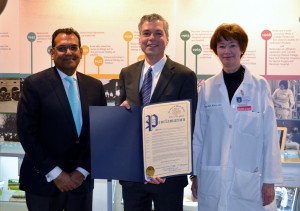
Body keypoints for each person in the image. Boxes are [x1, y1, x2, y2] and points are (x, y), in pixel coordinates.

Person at [191, 23, 282, 211]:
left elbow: (269, 136)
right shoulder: (207, 88)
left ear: (242, 49)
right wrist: (195, 175)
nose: (227, 51)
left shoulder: (259, 86)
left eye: (232, 45)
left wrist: (270, 181)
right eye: (222, 46)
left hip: (248, 180)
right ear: (216, 50)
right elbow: (198, 136)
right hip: (212, 177)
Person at [17, 27, 107, 211]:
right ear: (52, 52)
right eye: (62, 48)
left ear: (81, 52)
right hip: (43, 182)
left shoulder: (95, 86)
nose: (68, 53)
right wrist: (56, 174)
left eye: (73, 47)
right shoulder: (34, 84)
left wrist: (82, 172)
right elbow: (27, 133)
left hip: (80, 183)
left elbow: (101, 134)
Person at [118, 13, 198, 211]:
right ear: (139, 38)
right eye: (146, 33)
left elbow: (189, 126)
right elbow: (126, 125)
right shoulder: (127, 73)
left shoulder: (184, 75)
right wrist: (121, 114)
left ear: (167, 38)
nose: (151, 38)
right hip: (134, 176)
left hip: (168, 177)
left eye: (158, 33)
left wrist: (164, 166)